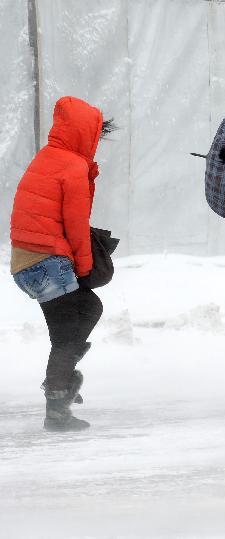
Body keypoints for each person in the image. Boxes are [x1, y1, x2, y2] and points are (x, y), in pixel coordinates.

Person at [9, 96, 113, 431]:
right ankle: (57, 403)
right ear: (85, 134)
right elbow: (76, 225)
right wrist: (85, 268)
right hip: (46, 261)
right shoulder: (73, 167)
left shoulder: (47, 157)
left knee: (73, 320)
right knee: (76, 323)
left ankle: (62, 379)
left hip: (25, 262)